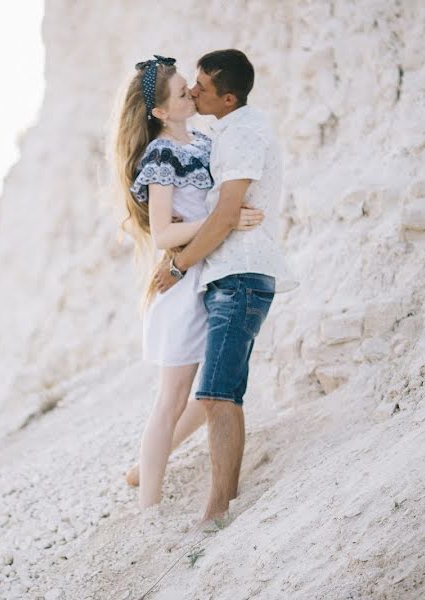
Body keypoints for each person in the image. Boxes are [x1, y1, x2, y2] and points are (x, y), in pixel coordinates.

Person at [111, 54, 265, 509]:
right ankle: (148, 508)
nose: (192, 94)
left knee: (213, 389)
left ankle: (145, 467)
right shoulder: (163, 153)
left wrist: (226, 217)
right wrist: (224, 221)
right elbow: (163, 234)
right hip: (183, 285)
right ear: (160, 112)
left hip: (214, 274)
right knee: (172, 400)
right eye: (183, 93)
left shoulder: (200, 138)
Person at [152, 49, 299, 528]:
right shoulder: (228, 131)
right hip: (229, 273)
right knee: (222, 391)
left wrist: (178, 266)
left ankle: (216, 511)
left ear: (228, 97)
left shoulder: (243, 135)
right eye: (189, 85)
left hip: (239, 274)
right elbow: (219, 210)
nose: (193, 92)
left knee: (218, 395)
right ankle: (225, 496)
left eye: (202, 88)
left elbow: (226, 213)